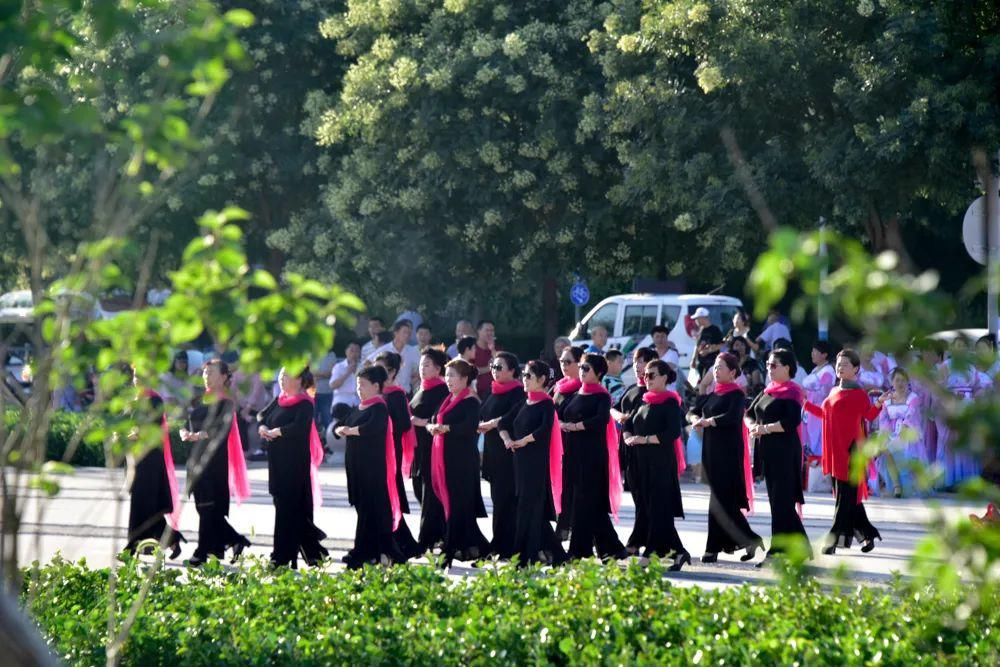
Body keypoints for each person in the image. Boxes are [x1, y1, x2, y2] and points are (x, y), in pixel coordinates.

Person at [804, 349, 888, 555]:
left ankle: (831, 541)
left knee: (844, 499)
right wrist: (805, 405)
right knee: (848, 499)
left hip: (851, 452)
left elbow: (868, 416)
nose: (840, 368)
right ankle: (867, 534)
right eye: (838, 364)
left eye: (845, 365)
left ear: (856, 369)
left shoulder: (859, 394)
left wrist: (879, 402)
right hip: (834, 452)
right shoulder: (834, 391)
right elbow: (825, 414)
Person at [687, 353, 762, 563]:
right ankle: (747, 540)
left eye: (721, 367)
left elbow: (732, 417)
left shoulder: (736, 395)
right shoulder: (713, 394)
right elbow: (692, 411)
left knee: (719, 501)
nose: (716, 370)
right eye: (715, 367)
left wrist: (708, 422)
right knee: (722, 501)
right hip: (711, 452)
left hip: (728, 453)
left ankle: (713, 548)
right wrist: (695, 419)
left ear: (733, 372)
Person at [180, 359, 251, 566]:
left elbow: (222, 430)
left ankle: (203, 552)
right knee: (204, 509)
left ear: (223, 377)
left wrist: (202, 435)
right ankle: (233, 541)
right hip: (196, 459)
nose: (206, 376)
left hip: (214, 461)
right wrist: (184, 432)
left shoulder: (226, 402)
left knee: (208, 507)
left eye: (211, 373)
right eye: (204, 372)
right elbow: (187, 423)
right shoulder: (200, 400)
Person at [257, 367, 329, 568]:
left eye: (286, 376)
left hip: (295, 463)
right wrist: (263, 428)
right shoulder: (280, 399)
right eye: (280, 376)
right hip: (277, 461)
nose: (281, 380)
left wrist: (278, 431)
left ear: (299, 380)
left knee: (288, 510)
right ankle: (312, 552)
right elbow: (261, 416)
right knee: (285, 508)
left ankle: (281, 556)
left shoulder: (305, 403)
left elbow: (300, 427)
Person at [336, 365, 406, 569]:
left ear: (376, 386)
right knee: (365, 509)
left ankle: (363, 552)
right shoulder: (359, 407)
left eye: (363, 385)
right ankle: (376, 552)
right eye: (358, 385)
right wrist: (341, 429)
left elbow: (373, 428)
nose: (359, 389)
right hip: (356, 467)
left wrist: (351, 430)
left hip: (372, 468)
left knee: (370, 510)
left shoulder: (379, 407)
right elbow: (341, 424)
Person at [622, 360, 689, 570]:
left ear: (664, 377)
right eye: (645, 375)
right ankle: (680, 552)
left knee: (658, 508)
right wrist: (627, 437)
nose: (646, 379)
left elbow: (673, 433)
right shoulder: (644, 400)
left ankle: (651, 553)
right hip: (641, 462)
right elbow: (628, 423)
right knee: (651, 509)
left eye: (651, 375)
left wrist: (645, 439)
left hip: (660, 463)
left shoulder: (670, 402)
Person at [500, 360, 568, 566]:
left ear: (541, 379)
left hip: (535, 463)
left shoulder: (547, 403)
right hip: (519, 461)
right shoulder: (524, 401)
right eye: (523, 375)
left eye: (528, 376)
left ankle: (523, 556)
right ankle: (556, 554)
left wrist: (523, 440)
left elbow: (545, 429)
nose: (524, 379)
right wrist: (507, 440)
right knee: (528, 509)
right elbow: (503, 422)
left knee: (528, 509)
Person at [746, 349, 810, 565]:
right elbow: (748, 413)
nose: (769, 369)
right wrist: (754, 426)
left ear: (787, 368)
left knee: (781, 502)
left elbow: (791, 422)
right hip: (768, 453)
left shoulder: (792, 392)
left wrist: (764, 429)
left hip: (785, 452)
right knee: (778, 502)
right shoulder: (769, 390)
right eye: (768, 364)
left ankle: (777, 552)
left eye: (774, 365)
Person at [562, 353, 627, 561]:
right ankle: (612, 548)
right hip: (573, 454)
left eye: (586, 368)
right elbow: (560, 414)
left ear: (598, 373)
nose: (581, 371)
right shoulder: (575, 394)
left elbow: (600, 420)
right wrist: (564, 425)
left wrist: (575, 426)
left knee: (584, 502)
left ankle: (579, 551)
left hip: (592, 457)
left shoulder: (602, 396)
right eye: (581, 367)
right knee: (592, 505)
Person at [426, 359, 491, 565]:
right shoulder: (448, 399)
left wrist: (447, 429)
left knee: (456, 506)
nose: (448, 379)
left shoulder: (471, 401)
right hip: (445, 458)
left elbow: (470, 426)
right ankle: (484, 549)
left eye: (452, 375)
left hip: (461, 462)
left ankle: (447, 554)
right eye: (447, 375)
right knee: (459, 510)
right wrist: (432, 428)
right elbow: (433, 419)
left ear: (464, 379)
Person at [124, 374, 185, 559]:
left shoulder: (155, 400)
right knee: (148, 507)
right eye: (135, 376)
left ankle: (131, 549)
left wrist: (138, 433)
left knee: (141, 504)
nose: (137, 380)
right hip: (136, 458)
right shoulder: (134, 400)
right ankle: (171, 539)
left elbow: (155, 428)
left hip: (151, 459)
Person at [373, 351, 422, 557]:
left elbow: (403, 424)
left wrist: (382, 424)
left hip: (391, 451)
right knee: (381, 498)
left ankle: (404, 545)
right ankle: (403, 545)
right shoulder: (373, 392)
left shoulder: (396, 394)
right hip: (374, 451)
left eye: (382, 368)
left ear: (392, 372)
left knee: (390, 496)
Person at [478, 352, 526, 559]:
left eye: (499, 367)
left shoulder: (518, 392)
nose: (494, 371)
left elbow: (513, 415)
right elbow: (481, 413)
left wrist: (492, 423)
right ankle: (500, 543)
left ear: (512, 371)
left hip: (509, 452)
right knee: (498, 499)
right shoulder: (493, 391)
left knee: (507, 500)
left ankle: (506, 546)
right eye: (493, 366)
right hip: (492, 452)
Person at [611, 346, 657, 555]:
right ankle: (643, 539)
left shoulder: (655, 394)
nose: (638, 366)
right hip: (628, 448)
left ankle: (638, 541)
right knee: (638, 497)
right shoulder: (631, 390)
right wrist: (618, 417)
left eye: (643, 361)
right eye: (636, 361)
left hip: (648, 451)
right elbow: (612, 407)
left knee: (648, 498)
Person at [410, 348, 451, 547]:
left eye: (427, 365)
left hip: (432, 447)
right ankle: (440, 533)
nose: (422, 369)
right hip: (417, 448)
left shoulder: (442, 390)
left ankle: (425, 540)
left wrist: (421, 421)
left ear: (438, 368)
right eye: (420, 365)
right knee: (419, 489)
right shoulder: (421, 387)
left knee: (429, 494)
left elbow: (441, 417)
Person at [936, 336, 986, 489]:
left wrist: (976, 398)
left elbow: (979, 386)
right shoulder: (945, 366)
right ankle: (951, 480)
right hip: (951, 406)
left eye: (964, 346)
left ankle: (967, 480)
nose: (961, 348)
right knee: (952, 440)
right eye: (958, 345)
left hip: (968, 406)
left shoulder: (971, 368)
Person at [552, 345, 584, 541]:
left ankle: (569, 528)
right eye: (561, 361)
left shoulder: (584, 388)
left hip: (576, 445)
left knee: (573, 488)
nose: (563, 365)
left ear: (580, 363)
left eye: (568, 362)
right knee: (560, 487)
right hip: (559, 444)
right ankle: (562, 527)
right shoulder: (559, 386)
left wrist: (566, 424)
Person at [877, 367, 923, 498]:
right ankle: (896, 485)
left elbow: (911, 415)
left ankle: (907, 485)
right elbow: (883, 418)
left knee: (900, 447)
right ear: (892, 382)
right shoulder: (888, 399)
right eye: (897, 380)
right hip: (892, 432)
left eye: (903, 380)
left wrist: (904, 427)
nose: (900, 383)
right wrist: (886, 432)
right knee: (885, 447)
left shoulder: (913, 398)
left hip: (908, 431)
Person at [802, 341, 837, 459]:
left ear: (824, 354)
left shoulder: (828, 371)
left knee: (819, 444)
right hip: (810, 413)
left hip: (820, 412)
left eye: (815, 351)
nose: (812, 353)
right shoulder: (816, 369)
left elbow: (820, 390)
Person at [372, 319, 420, 393]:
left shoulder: (413, 351)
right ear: (396, 333)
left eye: (409, 333)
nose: (407, 335)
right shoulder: (384, 350)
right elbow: (367, 363)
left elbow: (421, 367)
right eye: (404, 332)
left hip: (405, 393)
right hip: (387, 392)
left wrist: (416, 376)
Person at [329, 340, 362, 431]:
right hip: (342, 401)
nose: (354, 354)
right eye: (352, 351)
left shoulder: (362, 367)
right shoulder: (339, 367)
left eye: (357, 351)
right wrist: (348, 372)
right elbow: (332, 385)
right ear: (346, 352)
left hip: (357, 401)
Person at [312, 345, 338, 441]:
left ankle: (330, 443)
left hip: (327, 392)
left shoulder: (331, 355)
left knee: (328, 420)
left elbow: (331, 373)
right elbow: (308, 372)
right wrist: (323, 374)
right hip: (311, 393)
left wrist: (316, 374)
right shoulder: (310, 354)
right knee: (311, 421)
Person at [692, 308, 723, 381]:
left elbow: (721, 344)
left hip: (711, 363)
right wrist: (693, 359)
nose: (696, 321)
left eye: (697, 318)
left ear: (703, 318)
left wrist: (708, 351)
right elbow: (697, 345)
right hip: (701, 363)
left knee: (706, 384)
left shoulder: (715, 330)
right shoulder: (701, 330)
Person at [473, 320, 498, 399]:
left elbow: (500, 366)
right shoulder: (472, 349)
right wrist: (488, 368)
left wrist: (493, 349)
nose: (490, 333)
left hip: (494, 393)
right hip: (476, 394)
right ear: (479, 331)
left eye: (492, 330)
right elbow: (470, 371)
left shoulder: (497, 349)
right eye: (487, 330)